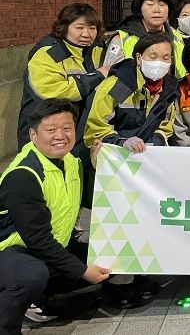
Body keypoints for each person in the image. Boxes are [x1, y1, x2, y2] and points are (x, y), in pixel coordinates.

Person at [0, 99, 111, 332]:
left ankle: (36, 299)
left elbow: (82, 203)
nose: (60, 135)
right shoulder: (23, 176)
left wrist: (94, 168)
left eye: (67, 128)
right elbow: (38, 240)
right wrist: (82, 271)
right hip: (10, 251)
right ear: (33, 134)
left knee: (108, 253)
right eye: (50, 130)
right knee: (30, 276)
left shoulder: (71, 162)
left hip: (41, 248)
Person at [18, 3, 108, 150]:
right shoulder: (48, 53)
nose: (86, 34)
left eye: (92, 28)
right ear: (64, 27)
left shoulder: (96, 50)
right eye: (79, 27)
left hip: (76, 133)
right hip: (44, 133)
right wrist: (96, 76)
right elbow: (54, 91)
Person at [81, 33, 178, 152]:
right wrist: (122, 142)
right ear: (139, 58)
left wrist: (158, 139)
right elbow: (95, 130)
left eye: (165, 58)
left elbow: (166, 126)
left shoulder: (169, 89)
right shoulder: (118, 86)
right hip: (117, 157)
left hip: (149, 157)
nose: (159, 62)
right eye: (153, 57)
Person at [103, 0, 186, 78]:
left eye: (162, 4)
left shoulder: (176, 37)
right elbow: (107, 74)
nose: (157, 10)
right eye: (150, 4)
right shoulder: (121, 39)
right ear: (140, 7)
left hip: (171, 91)